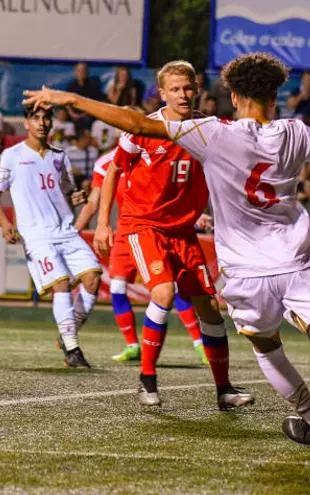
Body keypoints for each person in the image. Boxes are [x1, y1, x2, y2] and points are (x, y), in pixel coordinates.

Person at [24, 52, 310, 451]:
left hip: (244, 272)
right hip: (296, 259)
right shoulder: (297, 133)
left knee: (266, 345)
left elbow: (134, 122)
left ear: (233, 96)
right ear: (275, 94)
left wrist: (71, 100)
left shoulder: (213, 133)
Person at [92, 61, 253, 410]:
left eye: (188, 88)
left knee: (210, 308)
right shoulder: (145, 129)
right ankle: (146, 381)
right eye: (175, 89)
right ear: (162, 93)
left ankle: (224, 390)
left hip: (182, 231)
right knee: (163, 292)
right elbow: (115, 169)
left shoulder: (208, 128)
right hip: (143, 225)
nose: (183, 94)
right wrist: (104, 222)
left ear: (197, 90)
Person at [73, 148, 211, 365]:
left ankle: (200, 344)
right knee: (117, 288)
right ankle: (132, 345)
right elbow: (94, 201)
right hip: (125, 232)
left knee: (172, 287)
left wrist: (195, 214)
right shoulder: (105, 163)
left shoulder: (155, 154)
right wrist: (77, 231)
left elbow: (172, 191)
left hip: (153, 229)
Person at [0, 105, 100, 368]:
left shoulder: (60, 156)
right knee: (61, 285)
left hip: (66, 231)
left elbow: (68, 193)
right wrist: (5, 223)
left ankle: (67, 332)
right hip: (37, 235)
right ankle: (73, 350)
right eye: (35, 118)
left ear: (51, 124)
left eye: (46, 118)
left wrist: (77, 197)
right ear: (26, 123)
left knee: (93, 279)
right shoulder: (12, 155)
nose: (41, 122)